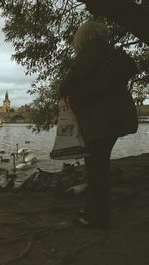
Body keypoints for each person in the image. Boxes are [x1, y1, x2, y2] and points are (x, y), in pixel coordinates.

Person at [59, 20, 138, 229]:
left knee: (96, 168)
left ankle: (98, 218)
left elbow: (71, 80)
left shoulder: (92, 50)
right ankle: (93, 209)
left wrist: (64, 88)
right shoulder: (111, 54)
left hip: (100, 121)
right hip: (115, 118)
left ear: (85, 37)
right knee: (99, 164)